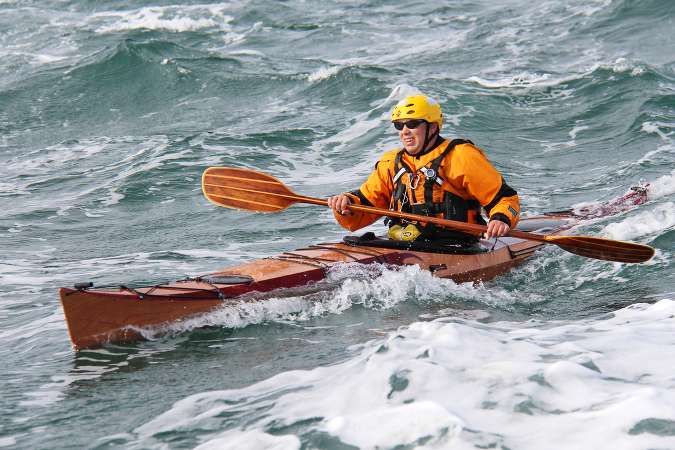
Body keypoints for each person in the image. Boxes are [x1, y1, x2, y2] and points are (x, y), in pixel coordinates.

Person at [327, 94, 520, 245]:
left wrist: (500, 219)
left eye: (412, 124)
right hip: (403, 242)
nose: (404, 131)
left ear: (433, 127)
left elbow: (504, 199)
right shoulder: (391, 162)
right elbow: (365, 205)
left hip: (456, 244)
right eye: (399, 125)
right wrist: (346, 204)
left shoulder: (461, 156)